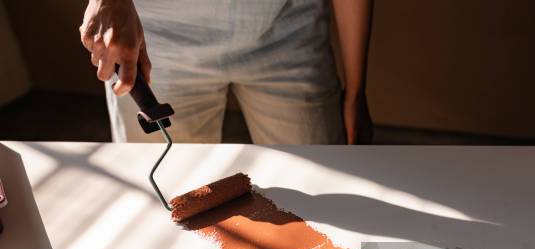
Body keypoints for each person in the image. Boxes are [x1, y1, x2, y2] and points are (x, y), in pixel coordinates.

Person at [79, 0, 373, 145]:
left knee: (326, 190)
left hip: (286, 24)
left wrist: (355, 92)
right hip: (154, 39)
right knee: (168, 202)